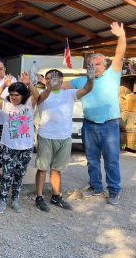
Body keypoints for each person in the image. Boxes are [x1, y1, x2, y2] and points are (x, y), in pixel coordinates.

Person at [64, 22, 126, 205]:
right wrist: (41, 82)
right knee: (91, 159)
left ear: (104, 64)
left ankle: (114, 190)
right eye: (91, 64)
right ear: (87, 66)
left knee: (111, 160)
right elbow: (59, 86)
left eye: (98, 64)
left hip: (110, 124)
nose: (95, 67)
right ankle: (96, 186)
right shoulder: (81, 80)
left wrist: (121, 36)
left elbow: (120, 53)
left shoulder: (112, 74)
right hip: (89, 125)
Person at [34, 68, 94, 212]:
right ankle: (39, 197)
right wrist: (49, 87)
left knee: (56, 169)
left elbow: (86, 89)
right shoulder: (43, 94)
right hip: (46, 136)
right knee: (42, 169)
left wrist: (90, 79)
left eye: (53, 78)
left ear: (61, 80)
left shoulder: (70, 94)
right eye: (48, 78)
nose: (50, 80)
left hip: (64, 137)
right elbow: (40, 99)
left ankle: (56, 196)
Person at [0, 72, 40, 214]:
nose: (13, 97)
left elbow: (37, 95)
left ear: (23, 95)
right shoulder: (6, 105)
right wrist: (4, 85)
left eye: (17, 95)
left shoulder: (29, 105)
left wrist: (29, 83)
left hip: (25, 148)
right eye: (11, 94)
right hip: (9, 147)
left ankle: (15, 200)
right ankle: (2, 201)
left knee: (19, 175)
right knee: (7, 175)